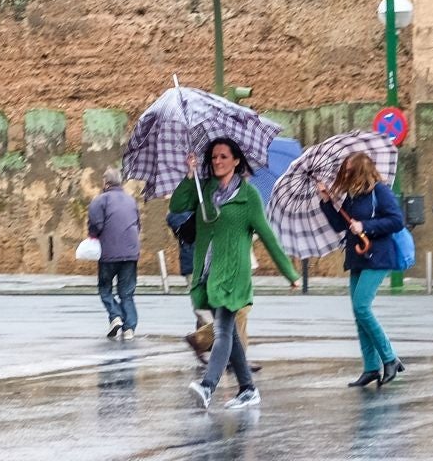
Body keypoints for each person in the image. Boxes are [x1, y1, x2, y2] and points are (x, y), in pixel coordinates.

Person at [170, 136, 299, 411]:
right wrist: (189, 174)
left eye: (223, 157)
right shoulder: (204, 189)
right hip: (208, 273)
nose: (217, 161)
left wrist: (290, 273)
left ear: (237, 160)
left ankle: (207, 386)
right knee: (229, 335)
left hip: (233, 275)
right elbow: (178, 205)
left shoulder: (248, 196)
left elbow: (267, 236)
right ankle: (248, 388)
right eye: (214, 157)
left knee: (223, 331)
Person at [317, 152, 405, 388]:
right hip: (358, 257)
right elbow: (340, 225)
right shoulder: (353, 197)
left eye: (349, 171)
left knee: (361, 307)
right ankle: (370, 367)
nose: (344, 175)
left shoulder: (380, 191)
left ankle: (389, 358)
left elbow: (397, 220)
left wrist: (366, 225)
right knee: (358, 313)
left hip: (378, 256)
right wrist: (326, 201)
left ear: (360, 171)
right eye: (344, 171)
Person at [87, 166, 142, 339]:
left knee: (105, 289)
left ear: (105, 182)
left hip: (109, 253)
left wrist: (92, 237)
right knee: (126, 292)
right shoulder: (131, 201)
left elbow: (96, 225)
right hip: (131, 253)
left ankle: (116, 316)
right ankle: (129, 329)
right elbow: (137, 225)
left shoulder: (100, 201)